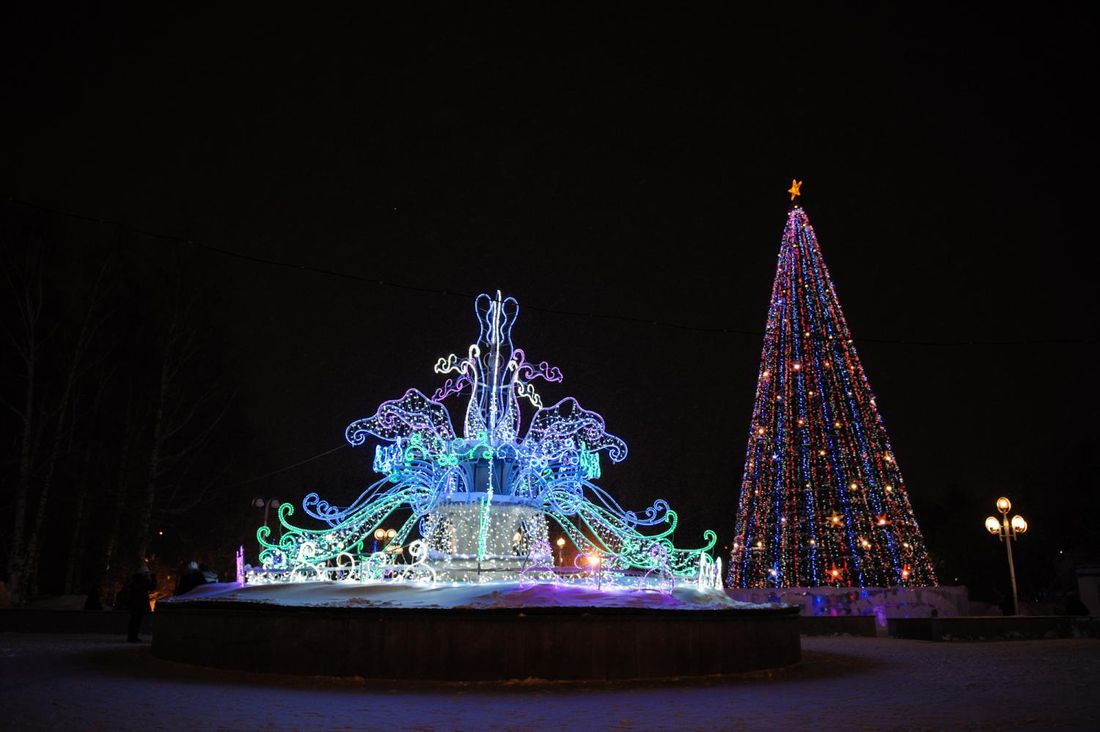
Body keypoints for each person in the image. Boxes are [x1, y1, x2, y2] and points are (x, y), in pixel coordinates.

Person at [125, 564, 156, 642]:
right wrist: (152, 579)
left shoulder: (137, 580)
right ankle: (132, 637)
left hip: (137, 604)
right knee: (135, 621)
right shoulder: (139, 580)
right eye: (146, 573)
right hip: (137, 604)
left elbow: (150, 587)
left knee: (136, 620)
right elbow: (149, 587)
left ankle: (133, 636)